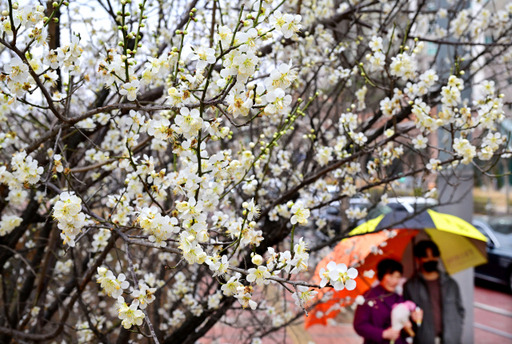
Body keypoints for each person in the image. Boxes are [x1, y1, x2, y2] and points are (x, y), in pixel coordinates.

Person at [403, 240, 465, 344]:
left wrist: (456, 329)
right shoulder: (410, 286)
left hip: (452, 339)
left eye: (434, 256)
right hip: (424, 339)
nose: (431, 259)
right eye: (426, 256)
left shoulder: (451, 284)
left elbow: (460, 310)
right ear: (418, 259)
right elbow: (406, 314)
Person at [354, 259, 422, 344]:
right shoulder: (369, 297)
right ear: (381, 275)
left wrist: (411, 322)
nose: (394, 281)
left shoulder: (399, 298)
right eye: (390, 276)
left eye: (397, 277)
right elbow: (360, 325)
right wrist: (383, 334)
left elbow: (407, 332)